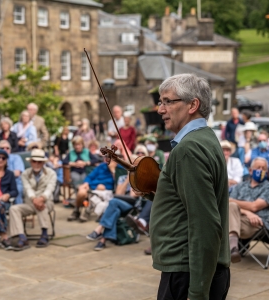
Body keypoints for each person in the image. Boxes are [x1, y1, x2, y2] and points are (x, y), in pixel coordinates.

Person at [142, 74, 230, 299]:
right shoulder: (205, 137)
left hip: (187, 272)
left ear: (193, 104)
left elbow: (206, 224)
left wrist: (198, 293)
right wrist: (153, 191)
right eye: (160, 102)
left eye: (168, 101)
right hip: (192, 269)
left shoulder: (188, 149)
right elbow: (187, 202)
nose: (160, 109)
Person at [9, 149, 57, 250]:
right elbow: (27, 189)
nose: (37, 164)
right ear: (30, 162)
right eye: (34, 161)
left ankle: (44, 234)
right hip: (30, 202)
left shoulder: (51, 173)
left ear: (43, 162)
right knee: (13, 209)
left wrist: (42, 198)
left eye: (39, 161)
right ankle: (21, 236)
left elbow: (50, 188)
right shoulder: (25, 174)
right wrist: (34, 199)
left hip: (47, 202)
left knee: (42, 206)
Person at [229, 157, 269, 263]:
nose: (261, 170)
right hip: (238, 220)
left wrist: (236, 204)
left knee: (230, 209)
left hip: (256, 223)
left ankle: (231, 248)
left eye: (264, 168)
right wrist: (247, 212)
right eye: (258, 167)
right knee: (229, 208)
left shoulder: (267, 187)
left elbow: (254, 207)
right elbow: (228, 204)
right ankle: (233, 249)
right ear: (250, 171)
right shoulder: (239, 186)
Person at [86, 173, 140, 251]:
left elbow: (133, 194)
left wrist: (132, 179)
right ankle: (102, 241)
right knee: (115, 211)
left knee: (113, 202)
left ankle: (99, 229)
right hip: (117, 205)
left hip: (131, 206)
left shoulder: (140, 178)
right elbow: (118, 194)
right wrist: (127, 180)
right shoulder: (122, 178)